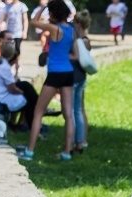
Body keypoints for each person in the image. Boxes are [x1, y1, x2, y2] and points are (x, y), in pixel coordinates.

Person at [18, 0, 76, 162]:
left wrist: (43, 6)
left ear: (54, 13)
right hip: (68, 72)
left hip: (55, 73)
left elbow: (33, 22)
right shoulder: (71, 29)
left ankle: (30, 151)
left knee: (38, 112)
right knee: (68, 114)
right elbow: (72, 52)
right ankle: (67, 152)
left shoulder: (54, 28)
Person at [71, 9, 91, 153]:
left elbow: (76, 56)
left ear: (77, 24)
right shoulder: (86, 40)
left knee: (73, 110)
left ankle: (75, 139)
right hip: (82, 77)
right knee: (80, 109)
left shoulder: (78, 40)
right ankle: (83, 140)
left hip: (74, 76)